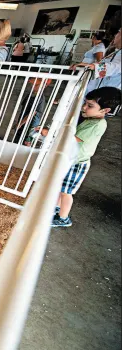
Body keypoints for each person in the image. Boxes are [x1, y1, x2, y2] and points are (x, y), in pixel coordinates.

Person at [36, 87, 120, 227]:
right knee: (62, 188)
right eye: (85, 103)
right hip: (71, 159)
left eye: (90, 105)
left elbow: (73, 138)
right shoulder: (91, 119)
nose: (84, 107)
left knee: (66, 192)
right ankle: (57, 208)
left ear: (105, 111)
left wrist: (50, 133)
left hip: (77, 163)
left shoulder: (96, 124)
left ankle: (63, 218)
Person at [71, 28, 121, 93]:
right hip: (97, 87)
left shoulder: (101, 47)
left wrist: (95, 67)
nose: (115, 35)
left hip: (107, 93)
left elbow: (116, 66)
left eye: (119, 32)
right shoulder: (115, 52)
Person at [13, 76, 52, 146]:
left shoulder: (39, 97)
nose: (33, 86)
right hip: (25, 122)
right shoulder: (31, 95)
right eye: (33, 85)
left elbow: (32, 113)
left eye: (36, 85)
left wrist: (20, 123)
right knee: (17, 141)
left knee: (24, 143)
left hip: (31, 126)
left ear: (43, 86)